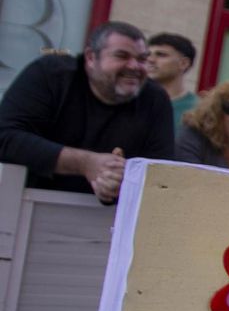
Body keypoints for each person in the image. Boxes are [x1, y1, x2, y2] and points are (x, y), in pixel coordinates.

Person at [0, 21, 174, 203]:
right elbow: (5, 136)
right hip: (27, 205)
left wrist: (119, 183)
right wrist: (86, 163)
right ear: (91, 57)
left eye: (142, 59)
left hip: (110, 216)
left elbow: (160, 174)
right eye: (122, 56)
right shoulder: (52, 76)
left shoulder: (155, 99)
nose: (134, 66)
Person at [146, 32, 198, 132]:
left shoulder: (198, 111)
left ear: (183, 63)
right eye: (147, 55)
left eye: (161, 55)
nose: (150, 60)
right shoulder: (130, 101)